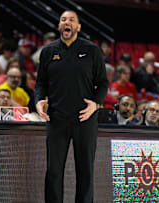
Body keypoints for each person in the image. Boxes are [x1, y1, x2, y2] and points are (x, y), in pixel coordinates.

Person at [34, 10, 108, 203]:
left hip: (84, 119)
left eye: (72, 20)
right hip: (56, 118)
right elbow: (40, 83)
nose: (67, 22)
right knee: (54, 171)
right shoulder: (48, 51)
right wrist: (39, 100)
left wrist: (96, 104)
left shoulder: (92, 50)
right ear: (59, 25)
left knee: (85, 172)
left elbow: (102, 83)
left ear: (78, 27)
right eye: (63, 19)